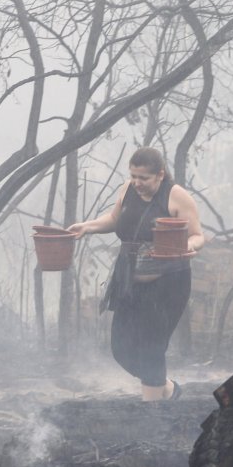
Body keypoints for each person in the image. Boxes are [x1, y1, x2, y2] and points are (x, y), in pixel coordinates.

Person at [68, 147, 204, 402]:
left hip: (168, 284)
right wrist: (87, 227)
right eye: (133, 176)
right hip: (129, 280)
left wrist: (187, 246)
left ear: (160, 175)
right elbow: (114, 219)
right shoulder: (127, 190)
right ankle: (168, 389)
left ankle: (151, 413)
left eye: (144, 178)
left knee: (152, 348)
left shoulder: (176, 196)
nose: (137, 183)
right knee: (121, 348)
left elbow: (198, 236)